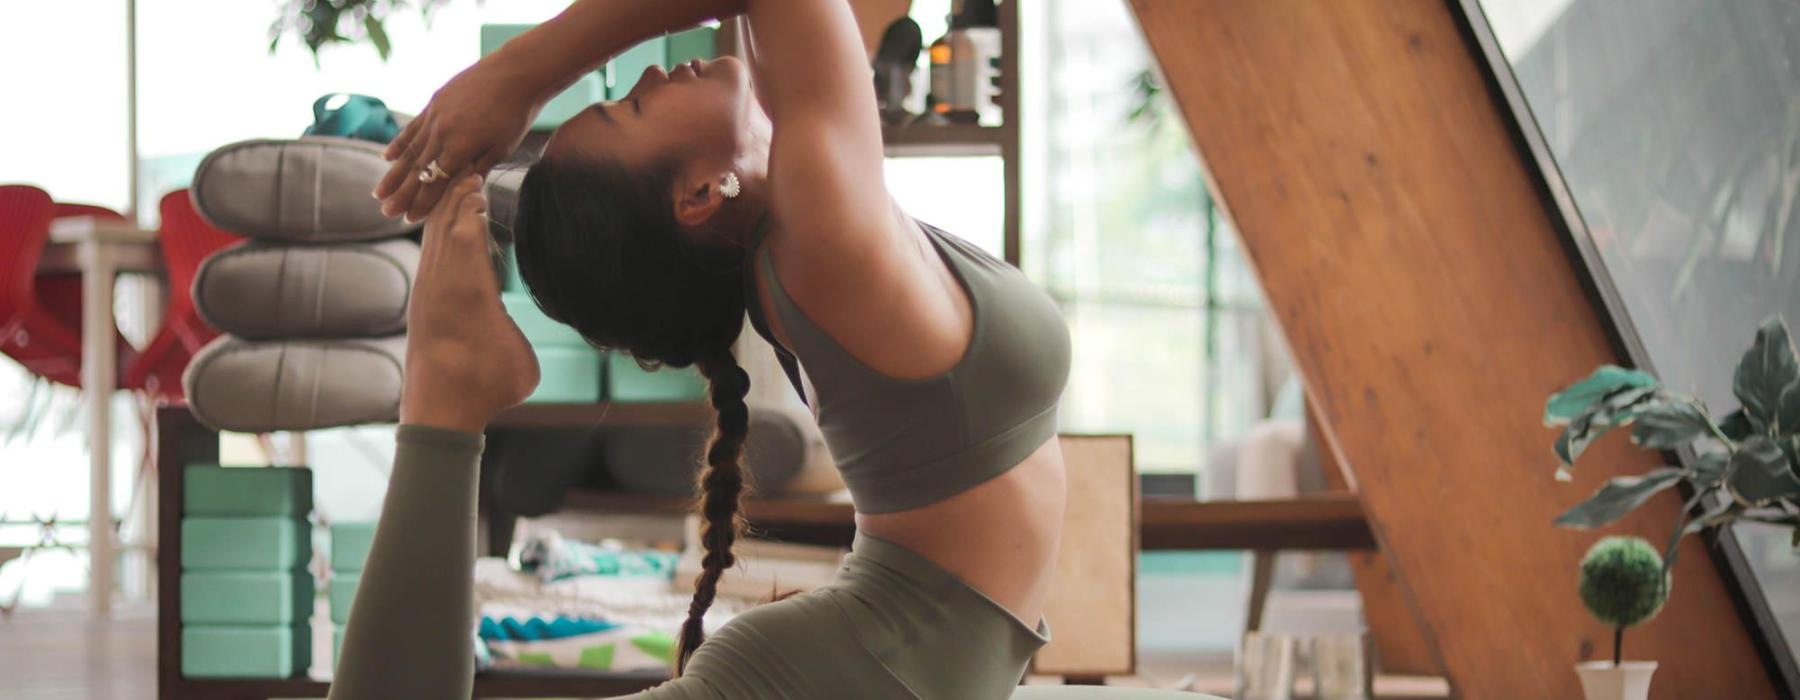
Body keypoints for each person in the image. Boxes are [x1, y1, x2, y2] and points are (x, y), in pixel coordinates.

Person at [329, 1, 1071, 698]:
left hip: (870, 663)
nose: (652, 73)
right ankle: (445, 382)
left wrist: (524, 76)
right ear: (696, 197)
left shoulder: (804, 242)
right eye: (633, 108)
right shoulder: (823, 246)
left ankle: (446, 389)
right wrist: (518, 74)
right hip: (864, 671)